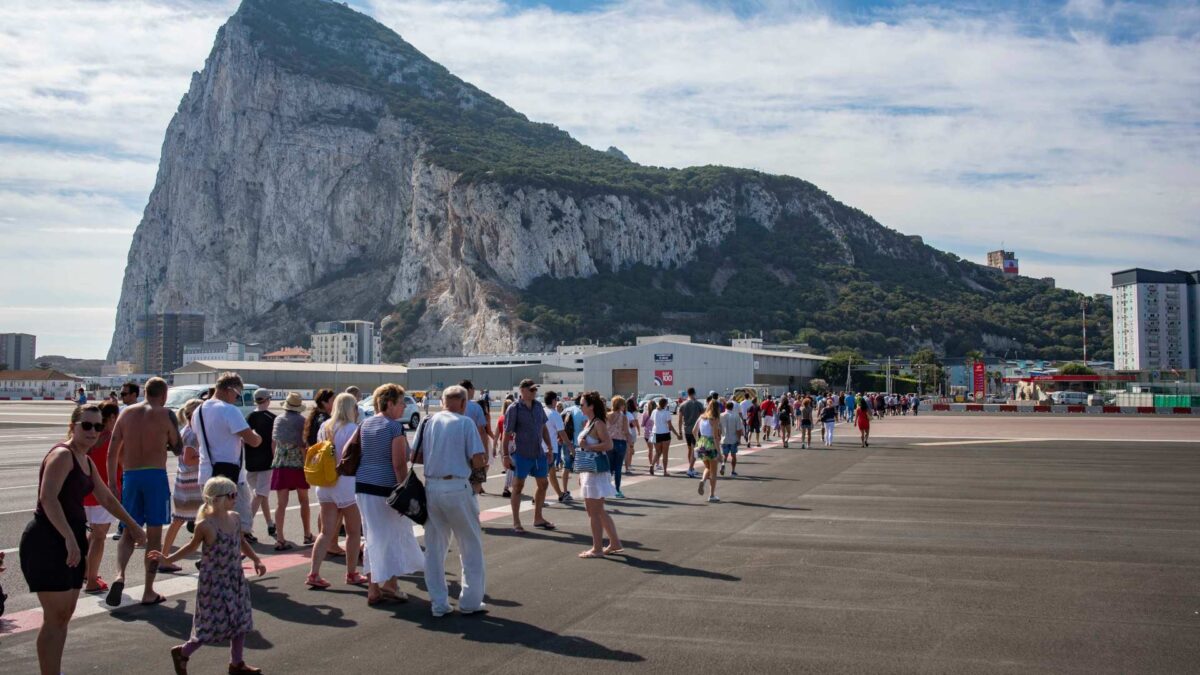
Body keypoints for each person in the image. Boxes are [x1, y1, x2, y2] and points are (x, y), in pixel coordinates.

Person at [20, 405, 146, 675]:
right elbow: (48, 498)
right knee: (54, 617)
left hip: (71, 538)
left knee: (64, 615)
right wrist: (69, 537)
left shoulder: (85, 461)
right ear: (73, 425)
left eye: (98, 427)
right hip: (48, 539)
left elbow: (106, 498)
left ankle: (54, 670)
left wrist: (133, 525)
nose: (92, 432)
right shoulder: (62, 455)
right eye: (86, 425)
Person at [148, 477, 266, 675]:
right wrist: (167, 559)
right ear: (218, 499)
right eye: (232, 495)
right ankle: (183, 653)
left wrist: (256, 559)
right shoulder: (206, 525)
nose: (235, 498)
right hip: (214, 583)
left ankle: (236, 663)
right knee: (210, 624)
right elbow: (191, 547)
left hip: (234, 578)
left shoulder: (235, 517)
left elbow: (242, 541)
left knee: (241, 621)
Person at [106, 376, 182, 607]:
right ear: (164, 394)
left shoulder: (126, 413)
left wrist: (112, 483)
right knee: (154, 536)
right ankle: (148, 590)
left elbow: (111, 452)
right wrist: (166, 441)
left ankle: (119, 575)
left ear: (145, 392)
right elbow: (178, 448)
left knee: (130, 529)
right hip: (155, 476)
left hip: (130, 475)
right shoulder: (166, 414)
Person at [417, 385, 488, 617]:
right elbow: (477, 459)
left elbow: (415, 456)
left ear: (442, 402)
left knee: (435, 548)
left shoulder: (427, 421)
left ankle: (439, 603)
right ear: (464, 403)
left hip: (432, 486)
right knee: (469, 545)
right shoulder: (465, 422)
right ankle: (470, 602)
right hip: (456, 485)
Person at [355, 383, 423, 605]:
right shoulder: (394, 427)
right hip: (385, 489)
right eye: (402, 402)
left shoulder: (365, 423)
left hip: (363, 486)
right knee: (391, 537)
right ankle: (390, 585)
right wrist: (405, 493)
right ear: (390, 403)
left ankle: (374, 588)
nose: (404, 407)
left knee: (373, 536)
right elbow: (398, 464)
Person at [193, 372, 263, 549]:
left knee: (211, 521)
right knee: (238, 522)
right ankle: (231, 558)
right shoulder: (228, 410)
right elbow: (253, 441)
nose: (237, 399)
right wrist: (258, 436)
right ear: (229, 389)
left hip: (206, 473)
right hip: (229, 477)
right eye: (237, 395)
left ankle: (210, 555)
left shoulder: (198, 411)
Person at [307, 393, 365, 588]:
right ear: (351, 408)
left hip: (325, 483)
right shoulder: (354, 429)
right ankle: (351, 573)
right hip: (347, 483)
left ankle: (314, 573)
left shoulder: (325, 427)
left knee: (325, 532)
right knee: (353, 531)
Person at [502, 379, 556, 533]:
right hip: (521, 454)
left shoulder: (538, 406)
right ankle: (516, 522)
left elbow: (543, 428)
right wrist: (506, 456)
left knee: (543, 484)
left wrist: (550, 448)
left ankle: (538, 518)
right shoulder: (514, 409)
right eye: (531, 390)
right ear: (522, 391)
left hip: (538, 453)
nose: (534, 392)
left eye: (535, 390)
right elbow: (506, 435)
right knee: (518, 486)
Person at [575, 391, 623, 558]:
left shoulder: (598, 423)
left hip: (595, 471)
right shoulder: (590, 422)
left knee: (593, 511)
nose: (580, 406)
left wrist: (588, 447)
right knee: (597, 510)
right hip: (589, 470)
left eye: (582, 404)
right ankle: (614, 542)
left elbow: (608, 445)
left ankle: (597, 548)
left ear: (591, 406)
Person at [159, 399, 205, 573]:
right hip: (191, 482)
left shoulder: (185, 430)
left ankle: (165, 557)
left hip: (184, 480)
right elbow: (188, 458)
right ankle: (165, 558)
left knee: (179, 520)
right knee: (192, 519)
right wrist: (207, 457)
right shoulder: (192, 433)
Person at [82, 401, 120, 593]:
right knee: (99, 537)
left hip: (85, 493)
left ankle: (86, 572)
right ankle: (91, 580)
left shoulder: (89, 438)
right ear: (112, 417)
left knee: (92, 534)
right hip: (103, 494)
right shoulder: (112, 438)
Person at [270, 392, 313, 550]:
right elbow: (303, 446)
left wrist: (276, 459)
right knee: (304, 500)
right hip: (298, 465)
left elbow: (273, 444)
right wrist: (307, 464)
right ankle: (307, 534)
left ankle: (280, 538)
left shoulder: (278, 419)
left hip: (281, 464)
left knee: (281, 503)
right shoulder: (302, 421)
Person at [244, 390, 276, 539]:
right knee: (260, 494)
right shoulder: (272, 418)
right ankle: (245, 527)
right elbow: (274, 442)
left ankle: (270, 523)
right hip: (266, 461)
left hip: (251, 460)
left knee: (262, 494)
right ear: (268, 400)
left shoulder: (248, 417)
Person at [541, 391, 571, 501]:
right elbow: (562, 433)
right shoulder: (555, 414)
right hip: (550, 449)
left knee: (551, 473)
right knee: (543, 476)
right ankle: (538, 498)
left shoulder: (541, 411)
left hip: (540, 448)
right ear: (554, 401)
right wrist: (570, 446)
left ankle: (560, 494)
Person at [692, 399, 723, 502]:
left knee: (707, 467)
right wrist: (719, 452)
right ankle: (712, 495)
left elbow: (694, 431)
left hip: (702, 443)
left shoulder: (701, 417)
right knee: (714, 472)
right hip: (711, 445)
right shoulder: (714, 419)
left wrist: (698, 441)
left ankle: (703, 480)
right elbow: (715, 437)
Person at [606, 396, 631, 498]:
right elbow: (626, 431)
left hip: (609, 443)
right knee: (618, 467)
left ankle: (607, 488)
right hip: (620, 442)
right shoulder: (623, 417)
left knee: (609, 468)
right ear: (620, 405)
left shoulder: (607, 415)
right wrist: (631, 444)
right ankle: (617, 490)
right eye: (623, 405)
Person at [676, 388, 704, 478]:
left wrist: (679, 431)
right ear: (694, 393)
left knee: (689, 449)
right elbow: (704, 417)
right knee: (695, 450)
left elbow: (680, 420)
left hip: (687, 430)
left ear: (687, 393)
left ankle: (691, 467)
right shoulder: (699, 404)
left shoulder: (682, 405)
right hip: (696, 430)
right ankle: (690, 468)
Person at [650, 397, 679, 476]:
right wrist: (677, 434)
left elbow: (652, 421)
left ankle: (652, 464)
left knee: (658, 452)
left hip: (656, 432)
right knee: (665, 453)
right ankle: (665, 471)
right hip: (665, 433)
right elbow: (670, 426)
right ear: (665, 404)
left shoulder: (654, 411)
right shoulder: (666, 413)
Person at [718, 400, 745, 477]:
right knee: (733, 455)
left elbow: (718, 428)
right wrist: (739, 439)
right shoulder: (736, 415)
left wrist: (719, 436)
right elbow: (738, 429)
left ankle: (723, 464)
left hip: (724, 438)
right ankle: (733, 471)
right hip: (733, 439)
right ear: (732, 407)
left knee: (725, 455)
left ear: (725, 407)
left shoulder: (721, 415)